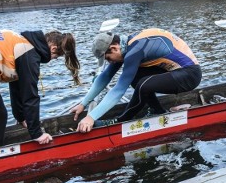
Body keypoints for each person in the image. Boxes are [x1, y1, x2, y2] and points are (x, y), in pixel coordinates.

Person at [71, 28, 202, 133]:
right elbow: (105, 77)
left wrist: (91, 117)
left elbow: (119, 90)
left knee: (142, 85)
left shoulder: (135, 51)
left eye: (108, 58)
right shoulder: (125, 47)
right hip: (174, 71)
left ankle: (121, 121)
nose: (109, 62)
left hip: (190, 75)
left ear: (114, 48)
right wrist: (84, 103)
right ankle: (157, 111)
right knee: (135, 77)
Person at [0, 30, 80, 146]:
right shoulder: (29, 54)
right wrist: (37, 134)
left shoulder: (23, 42)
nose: (51, 60)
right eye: (55, 57)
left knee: (0, 115)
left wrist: (20, 117)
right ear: (53, 49)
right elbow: (30, 96)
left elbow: (16, 89)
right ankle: (0, 157)